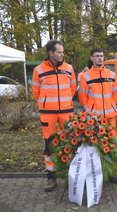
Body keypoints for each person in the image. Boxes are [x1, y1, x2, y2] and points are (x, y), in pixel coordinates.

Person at [32, 39, 76, 192]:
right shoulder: (39, 70)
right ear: (50, 53)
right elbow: (36, 92)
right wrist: (46, 104)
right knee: (49, 146)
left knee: (69, 144)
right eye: (59, 52)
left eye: (63, 52)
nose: (62, 54)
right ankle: (51, 178)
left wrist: (64, 103)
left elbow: (72, 88)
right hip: (48, 114)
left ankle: (71, 176)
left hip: (66, 112)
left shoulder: (69, 68)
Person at [78, 47, 117, 184]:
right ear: (91, 58)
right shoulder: (86, 76)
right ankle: (95, 174)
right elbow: (82, 95)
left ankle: (111, 173)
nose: (100, 58)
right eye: (97, 56)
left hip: (109, 116)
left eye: (102, 56)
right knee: (95, 147)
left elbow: (115, 92)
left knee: (112, 146)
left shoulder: (111, 74)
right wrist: (89, 110)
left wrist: (111, 105)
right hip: (94, 118)